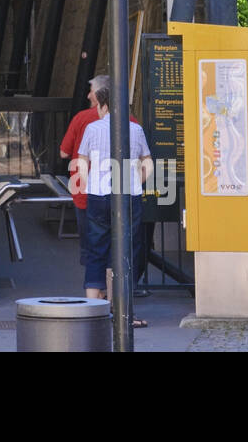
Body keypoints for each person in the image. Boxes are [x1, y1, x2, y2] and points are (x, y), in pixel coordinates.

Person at [75, 81, 152, 326]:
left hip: (98, 196)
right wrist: (136, 181)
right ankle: (120, 311)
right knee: (126, 249)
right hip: (128, 196)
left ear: (104, 105)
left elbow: (81, 163)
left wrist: (89, 187)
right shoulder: (135, 130)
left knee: (96, 249)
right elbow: (147, 163)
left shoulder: (92, 128)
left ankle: (91, 311)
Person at [59, 75, 105, 282]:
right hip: (117, 189)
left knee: (89, 243)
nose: (88, 95)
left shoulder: (81, 119)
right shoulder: (131, 120)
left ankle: (93, 287)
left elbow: (63, 153)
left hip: (84, 188)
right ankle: (113, 291)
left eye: (92, 91)